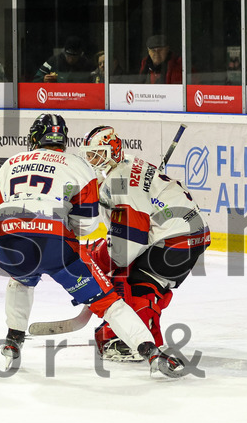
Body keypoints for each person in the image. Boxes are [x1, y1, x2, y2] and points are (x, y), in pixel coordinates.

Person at [0, 114, 185, 378]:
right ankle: (152, 354)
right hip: (54, 245)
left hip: (7, 242)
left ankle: (13, 338)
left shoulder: (11, 162)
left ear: (33, 137)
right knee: (109, 302)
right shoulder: (78, 165)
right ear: (63, 140)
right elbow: (87, 225)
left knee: (20, 278)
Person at [82, 125, 210, 364]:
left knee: (128, 279)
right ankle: (146, 332)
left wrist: (98, 256)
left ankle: (134, 341)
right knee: (146, 281)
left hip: (175, 240)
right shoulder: (124, 167)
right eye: (89, 154)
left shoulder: (121, 181)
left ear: (113, 151)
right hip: (189, 235)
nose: (92, 159)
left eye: (98, 153)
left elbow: (126, 247)